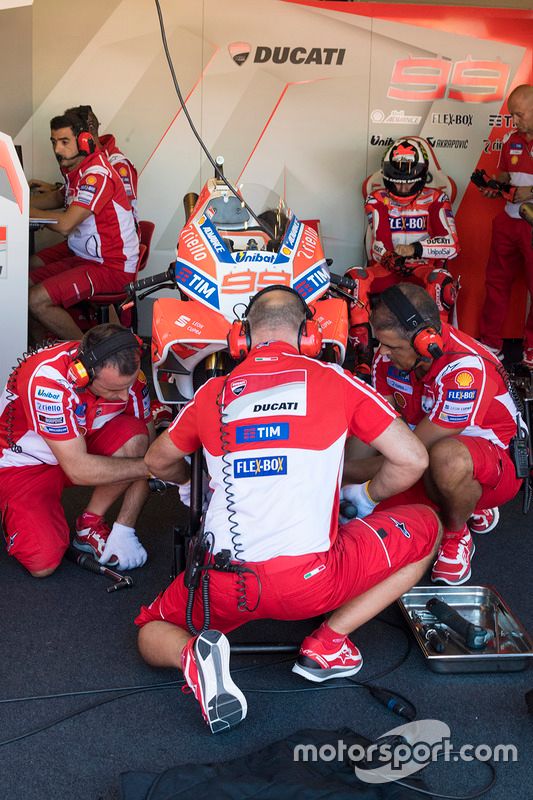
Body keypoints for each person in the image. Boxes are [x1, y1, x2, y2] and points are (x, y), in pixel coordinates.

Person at [136, 285, 441, 733]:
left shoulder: (211, 394)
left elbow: (155, 461)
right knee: (428, 526)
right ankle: (328, 643)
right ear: (311, 337)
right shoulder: (338, 381)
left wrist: (189, 487)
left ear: (240, 339)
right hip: (310, 584)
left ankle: (193, 657)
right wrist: (366, 498)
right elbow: (413, 458)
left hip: (222, 583)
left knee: (149, 629)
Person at [345, 283, 523, 586]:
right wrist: (342, 477)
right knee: (364, 515)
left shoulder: (464, 369)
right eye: (381, 343)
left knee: (447, 460)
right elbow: (374, 431)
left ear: (426, 342)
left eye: (392, 346)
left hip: (495, 465)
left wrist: (342, 476)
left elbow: (414, 452)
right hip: (425, 456)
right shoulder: (386, 360)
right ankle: (461, 501)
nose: (383, 353)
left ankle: (457, 534)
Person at [0, 323, 153, 578]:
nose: (125, 397)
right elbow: (81, 470)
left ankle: (89, 525)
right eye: (114, 390)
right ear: (83, 375)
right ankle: (11, 510)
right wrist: (153, 467)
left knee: (135, 438)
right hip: (24, 465)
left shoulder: (130, 377)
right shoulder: (47, 381)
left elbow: (148, 445)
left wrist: (125, 528)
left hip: (79, 447)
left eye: (128, 386)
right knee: (43, 563)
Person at [346, 137, 460, 377]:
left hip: (423, 268)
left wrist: (416, 250)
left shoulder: (437, 198)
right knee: (355, 278)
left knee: (442, 281)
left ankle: (433, 350)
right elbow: (379, 241)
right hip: (389, 267)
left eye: (409, 183)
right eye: (398, 183)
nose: (403, 188)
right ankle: (363, 356)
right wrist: (389, 257)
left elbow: (452, 245)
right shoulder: (376, 199)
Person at [28, 112, 139, 342]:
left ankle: (90, 360)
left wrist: (21, 212)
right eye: (54, 142)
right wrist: (14, 201)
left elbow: (67, 224)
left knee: (36, 300)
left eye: (64, 142)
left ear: (84, 141)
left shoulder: (96, 174)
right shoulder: (78, 171)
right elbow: (56, 199)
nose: (57, 150)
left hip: (112, 265)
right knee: (22, 285)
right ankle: (41, 358)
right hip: (86, 256)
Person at [477, 85, 533, 366]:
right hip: (508, 221)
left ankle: (531, 348)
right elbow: (505, 173)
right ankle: (490, 344)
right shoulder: (511, 140)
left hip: (531, 224)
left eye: (520, 114)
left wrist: (531, 192)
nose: (515, 121)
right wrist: (495, 186)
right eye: (512, 115)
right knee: (496, 284)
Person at [30, 104, 138, 220]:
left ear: (84, 135)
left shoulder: (117, 165)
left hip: (108, 235)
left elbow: (122, 210)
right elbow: (64, 196)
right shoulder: (84, 162)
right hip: (86, 235)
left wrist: (28, 212)